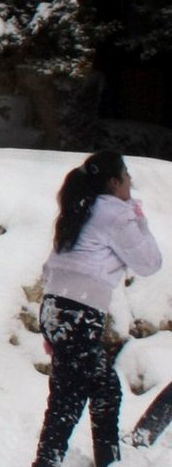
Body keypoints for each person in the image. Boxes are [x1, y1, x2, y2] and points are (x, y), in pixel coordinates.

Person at [32, 151, 161, 467]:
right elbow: (149, 263)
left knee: (102, 389)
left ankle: (108, 459)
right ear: (114, 182)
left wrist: (53, 325)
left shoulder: (80, 208)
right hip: (78, 312)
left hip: (56, 307)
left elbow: (55, 264)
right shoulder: (116, 214)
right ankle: (48, 461)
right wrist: (139, 217)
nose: (131, 181)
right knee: (69, 397)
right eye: (126, 175)